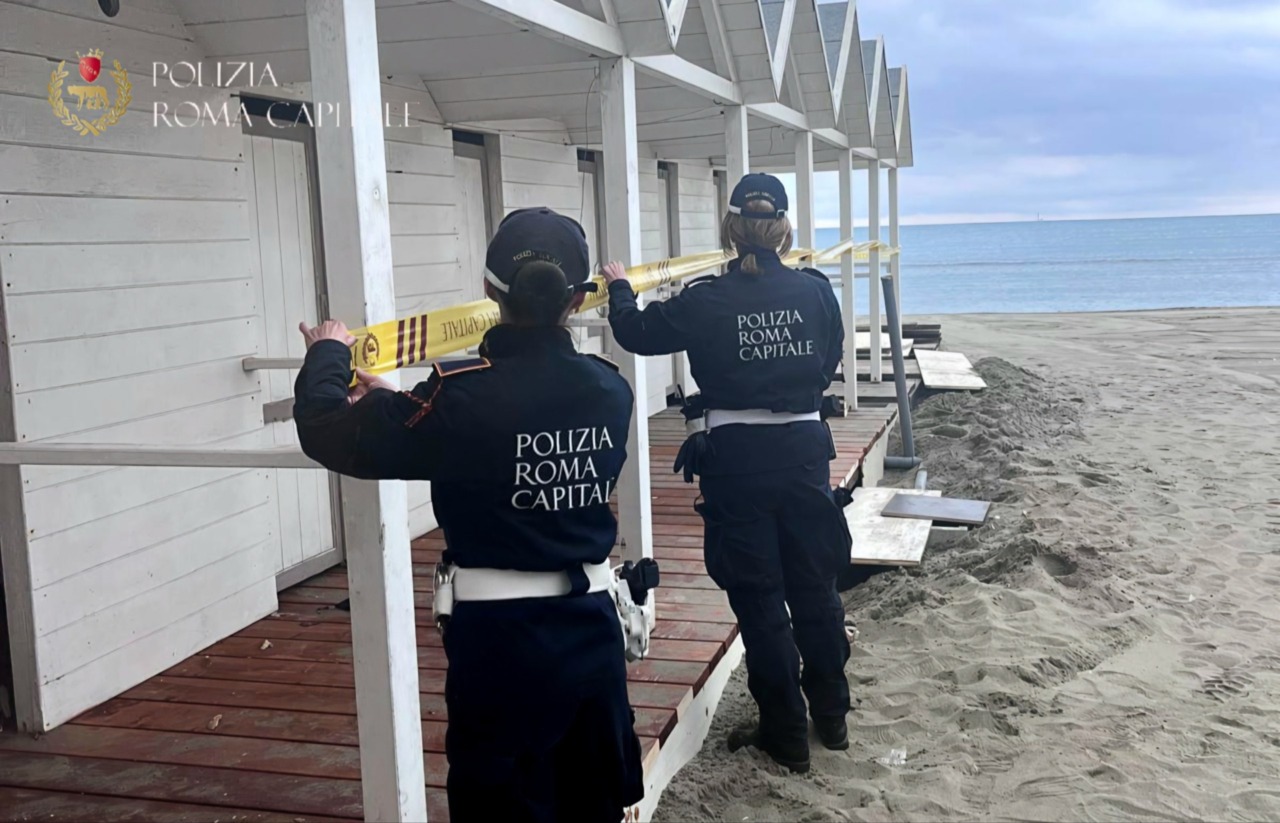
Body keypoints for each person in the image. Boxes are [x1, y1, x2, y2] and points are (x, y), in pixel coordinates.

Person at [292, 207, 646, 822]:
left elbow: (326, 427)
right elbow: (510, 420)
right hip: (592, 633)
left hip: (500, 646)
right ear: (580, 299)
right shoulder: (610, 388)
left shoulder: (456, 396)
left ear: (488, 291)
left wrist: (327, 352)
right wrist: (404, 403)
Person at [603, 173, 852, 773]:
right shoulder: (815, 291)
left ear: (731, 229)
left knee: (761, 596)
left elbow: (635, 333)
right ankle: (833, 716)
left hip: (736, 460)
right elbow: (832, 354)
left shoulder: (707, 298)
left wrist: (618, 288)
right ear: (785, 230)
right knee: (814, 586)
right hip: (802, 449)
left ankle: (787, 734)